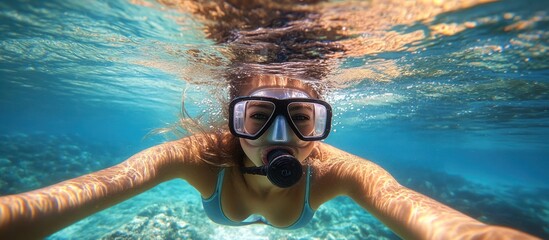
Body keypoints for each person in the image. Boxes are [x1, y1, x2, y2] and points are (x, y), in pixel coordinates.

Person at [0, 74, 538, 239]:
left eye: (301, 118)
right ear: (232, 121)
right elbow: (110, 181)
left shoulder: (338, 171)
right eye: (256, 115)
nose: (277, 134)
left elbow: (413, 208)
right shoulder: (200, 156)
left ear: (318, 128)